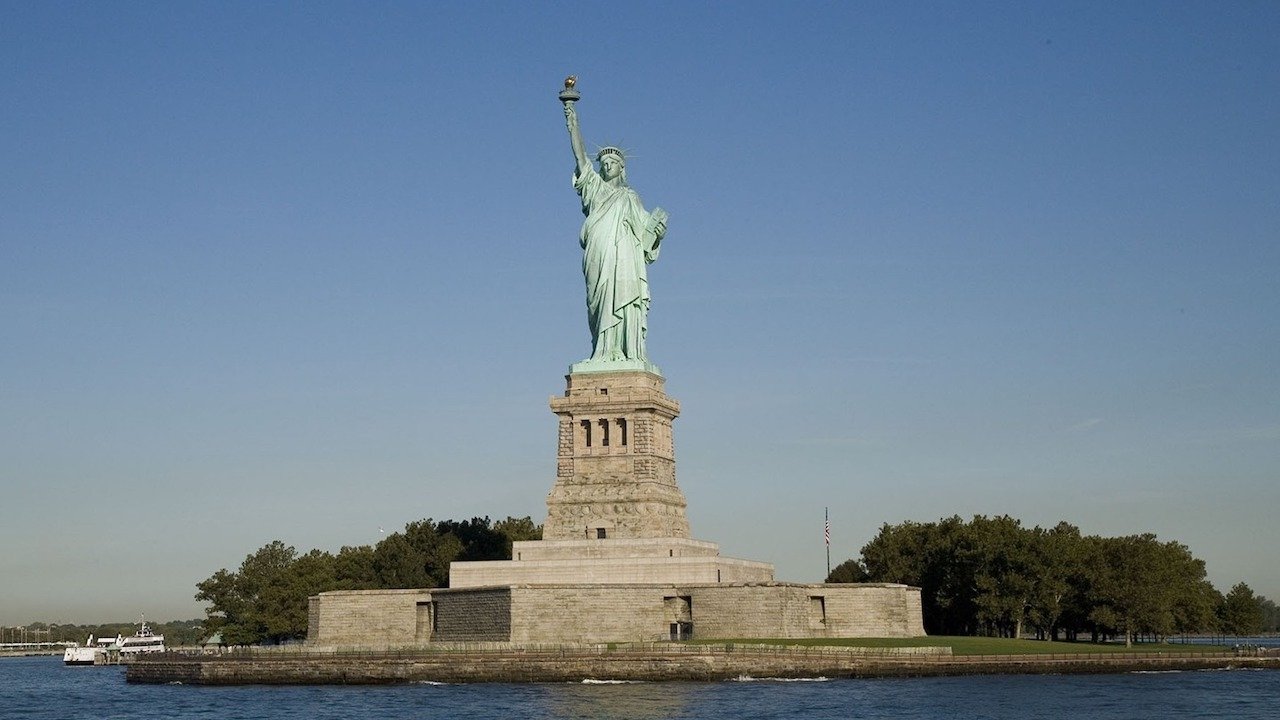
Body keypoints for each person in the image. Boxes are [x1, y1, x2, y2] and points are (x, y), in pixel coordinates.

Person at [563, 100, 668, 363]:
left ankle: (626, 351)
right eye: (604, 162)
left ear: (622, 168)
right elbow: (580, 156)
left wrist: (658, 232)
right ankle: (602, 350)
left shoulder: (630, 197)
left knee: (625, 297)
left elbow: (646, 237)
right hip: (599, 251)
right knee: (599, 301)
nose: (608, 165)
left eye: (613, 162)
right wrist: (572, 122)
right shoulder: (594, 188)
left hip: (626, 258)